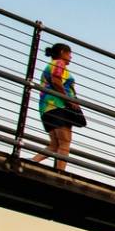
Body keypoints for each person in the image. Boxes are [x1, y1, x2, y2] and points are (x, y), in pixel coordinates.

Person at [29, 43, 83, 172]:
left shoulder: (51, 64)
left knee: (55, 144)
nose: (71, 57)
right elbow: (56, 81)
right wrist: (69, 100)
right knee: (65, 142)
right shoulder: (59, 63)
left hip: (47, 108)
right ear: (63, 52)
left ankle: (32, 162)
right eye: (69, 54)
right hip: (58, 106)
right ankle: (60, 173)